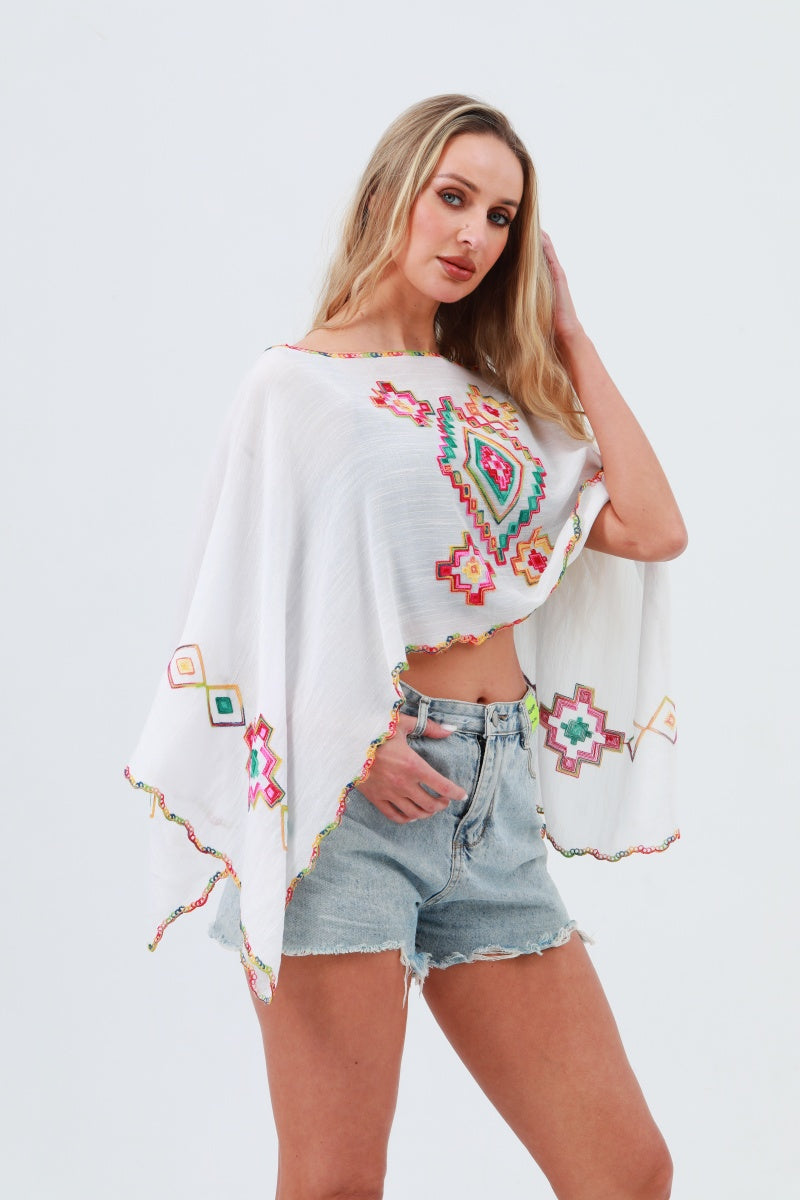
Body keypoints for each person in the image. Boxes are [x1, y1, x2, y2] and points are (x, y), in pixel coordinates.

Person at [127, 95, 686, 1199]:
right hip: (351, 811)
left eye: (501, 217)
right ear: (389, 193)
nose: (474, 234)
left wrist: (570, 339)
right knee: (336, 1183)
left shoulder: (498, 404)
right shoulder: (295, 388)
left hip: (496, 806)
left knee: (627, 1173)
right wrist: (349, 737)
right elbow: (232, 609)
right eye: (453, 197)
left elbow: (651, 525)